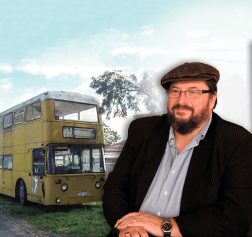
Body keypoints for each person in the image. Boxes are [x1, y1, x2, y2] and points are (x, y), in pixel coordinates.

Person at [102, 62, 252, 237]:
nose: (181, 101)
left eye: (193, 92)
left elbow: (236, 217)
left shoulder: (238, 141)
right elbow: (114, 188)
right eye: (175, 91)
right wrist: (128, 226)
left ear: (212, 99)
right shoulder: (142, 130)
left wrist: (165, 226)